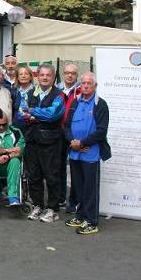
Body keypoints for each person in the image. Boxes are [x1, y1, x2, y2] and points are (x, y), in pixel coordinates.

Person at [64, 72, 111, 235]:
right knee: (78, 187)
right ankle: (80, 215)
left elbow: (101, 131)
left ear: (95, 86)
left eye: (89, 83)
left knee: (90, 188)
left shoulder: (100, 105)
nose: (85, 86)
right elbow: (67, 126)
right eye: (83, 83)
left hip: (90, 153)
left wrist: (82, 143)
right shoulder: (75, 103)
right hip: (75, 153)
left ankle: (91, 221)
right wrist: (72, 142)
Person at [18, 64, 65, 224]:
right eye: (42, 75)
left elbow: (53, 115)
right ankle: (38, 205)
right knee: (34, 175)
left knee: (52, 176)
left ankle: (53, 209)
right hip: (32, 141)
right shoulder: (30, 93)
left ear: (53, 77)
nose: (45, 77)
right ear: (38, 76)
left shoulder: (59, 95)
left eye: (48, 75)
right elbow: (21, 112)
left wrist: (33, 112)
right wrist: (35, 114)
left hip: (51, 142)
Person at [59, 62, 82, 211]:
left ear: (76, 75)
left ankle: (75, 201)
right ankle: (61, 198)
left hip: (74, 135)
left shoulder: (81, 91)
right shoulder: (57, 90)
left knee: (75, 169)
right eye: (67, 72)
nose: (69, 75)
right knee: (59, 167)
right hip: (59, 134)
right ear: (63, 73)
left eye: (73, 73)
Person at [11, 66, 36, 130]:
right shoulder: (14, 91)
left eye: (26, 74)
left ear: (30, 77)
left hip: (32, 128)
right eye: (21, 74)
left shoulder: (36, 91)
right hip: (16, 127)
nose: (23, 76)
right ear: (17, 77)